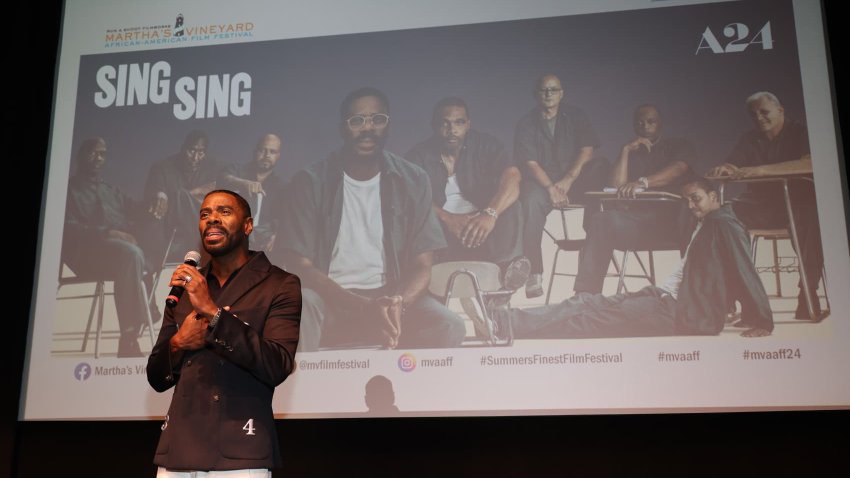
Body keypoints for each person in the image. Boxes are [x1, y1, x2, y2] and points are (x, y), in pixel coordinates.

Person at [280, 87, 466, 351]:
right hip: (330, 300)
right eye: (357, 121)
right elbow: (301, 268)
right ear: (343, 128)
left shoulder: (413, 179)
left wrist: (398, 301)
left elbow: (423, 264)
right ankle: (302, 391)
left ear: (388, 125)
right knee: (300, 308)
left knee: (449, 325)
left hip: (390, 302)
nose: (368, 129)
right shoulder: (310, 182)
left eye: (377, 119)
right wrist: (362, 307)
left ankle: (411, 391)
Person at [489, 178, 773, 339]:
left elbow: (743, 268)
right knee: (586, 301)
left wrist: (761, 319)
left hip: (680, 312)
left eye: (696, 198)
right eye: (686, 200)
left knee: (593, 320)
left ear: (713, 196)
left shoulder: (724, 223)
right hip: (662, 296)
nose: (690, 205)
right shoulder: (706, 222)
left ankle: (508, 327)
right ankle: (504, 318)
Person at [146, 189, 301, 475]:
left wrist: (214, 314)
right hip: (177, 452)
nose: (212, 219)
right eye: (205, 214)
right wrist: (178, 343)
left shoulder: (280, 284)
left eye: (224, 212)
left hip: (239, 451)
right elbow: (156, 378)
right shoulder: (184, 289)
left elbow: (277, 365)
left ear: (248, 225)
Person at [707, 91, 824, 320]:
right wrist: (726, 167)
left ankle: (807, 293)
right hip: (761, 207)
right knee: (721, 217)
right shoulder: (749, 138)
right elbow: (734, 161)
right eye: (753, 115)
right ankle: (734, 297)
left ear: (780, 111)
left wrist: (762, 170)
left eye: (764, 112)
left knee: (812, 217)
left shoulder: (801, 132)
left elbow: (810, 163)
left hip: (799, 204)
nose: (759, 118)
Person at [405, 97, 529, 288]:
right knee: (419, 217)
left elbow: (513, 176)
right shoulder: (418, 155)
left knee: (514, 207)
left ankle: (506, 274)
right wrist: (448, 219)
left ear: (468, 124)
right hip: (441, 232)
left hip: (482, 227)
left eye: (459, 122)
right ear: (433, 126)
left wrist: (490, 214)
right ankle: (426, 279)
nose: (452, 129)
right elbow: (409, 196)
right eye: (444, 123)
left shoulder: (486, 145)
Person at [573, 104, 695, 294]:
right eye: (639, 123)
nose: (645, 126)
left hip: (670, 225)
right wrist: (625, 150)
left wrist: (642, 183)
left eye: (650, 121)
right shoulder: (633, 153)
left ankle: (693, 295)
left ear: (660, 123)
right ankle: (586, 296)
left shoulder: (678, 145)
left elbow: (678, 169)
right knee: (601, 219)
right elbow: (615, 186)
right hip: (636, 224)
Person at [62, 137, 159, 358]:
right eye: (93, 153)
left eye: (103, 154)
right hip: (86, 256)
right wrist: (107, 233)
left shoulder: (111, 191)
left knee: (139, 249)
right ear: (81, 157)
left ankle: (143, 316)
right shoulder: (69, 190)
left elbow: (137, 209)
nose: (98, 158)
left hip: (118, 257)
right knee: (133, 254)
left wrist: (155, 203)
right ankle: (129, 337)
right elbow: (67, 228)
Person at [514, 73, 609, 298]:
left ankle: (590, 256)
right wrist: (550, 188)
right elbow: (530, 162)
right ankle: (534, 272)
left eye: (553, 89)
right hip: (542, 182)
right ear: (536, 94)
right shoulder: (526, 122)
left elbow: (587, 148)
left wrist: (567, 180)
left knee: (600, 166)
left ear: (561, 93)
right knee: (528, 199)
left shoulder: (576, 115)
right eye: (544, 90)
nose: (548, 94)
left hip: (574, 179)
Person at [146, 130, 224, 262]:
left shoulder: (214, 167)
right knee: (181, 197)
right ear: (183, 148)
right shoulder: (163, 168)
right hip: (170, 222)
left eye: (201, 153)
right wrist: (195, 192)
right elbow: (159, 194)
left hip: (197, 222)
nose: (195, 157)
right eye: (192, 151)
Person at [219, 133, 286, 253]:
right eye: (262, 150)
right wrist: (244, 183)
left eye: (272, 152)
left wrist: (277, 236)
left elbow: (283, 217)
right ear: (255, 152)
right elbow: (223, 177)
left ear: (278, 156)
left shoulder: (281, 186)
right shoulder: (238, 170)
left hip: (261, 237)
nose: (266, 155)